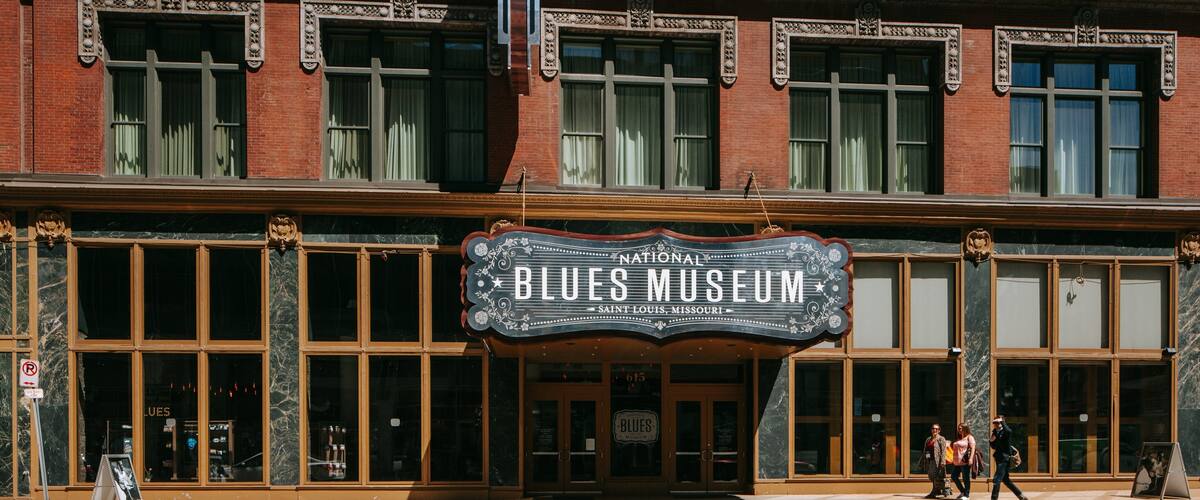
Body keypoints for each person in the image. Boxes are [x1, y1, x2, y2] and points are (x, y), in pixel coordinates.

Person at [989, 416, 1027, 500]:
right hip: (998, 457)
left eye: (997, 422)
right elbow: (994, 446)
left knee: (997, 479)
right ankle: (1021, 496)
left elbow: (1009, 431)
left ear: (1002, 423)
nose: (995, 424)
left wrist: (1002, 421)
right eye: (994, 423)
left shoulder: (1005, 431)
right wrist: (991, 441)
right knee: (1005, 480)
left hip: (1004, 458)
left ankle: (994, 498)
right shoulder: (995, 432)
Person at [921, 424, 949, 498]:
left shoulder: (941, 439)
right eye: (933, 428)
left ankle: (934, 492)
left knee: (937, 476)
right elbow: (926, 450)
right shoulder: (928, 439)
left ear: (939, 430)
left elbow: (943, 451)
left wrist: (943, 462)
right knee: (932, 476)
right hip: (931, 460)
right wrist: (926, 458)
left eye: (936, 429)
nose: (935, 430)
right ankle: (936, 491)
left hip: (938, 461)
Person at [950, 423, 976, 500]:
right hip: (957, 462)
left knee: (965, 478)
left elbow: (973, 448)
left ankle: (967, 495)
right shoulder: (959, 438)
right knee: (954, 476)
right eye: (958, 428)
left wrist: (971, 458)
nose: (959, 430)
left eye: (961, 428)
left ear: (965, 428)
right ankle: (963, 491)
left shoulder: (969, 437)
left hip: (965, 461)